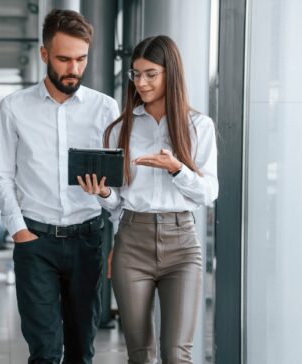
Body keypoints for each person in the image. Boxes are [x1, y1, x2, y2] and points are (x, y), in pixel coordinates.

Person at [77, 35, 219, 364]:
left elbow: (208, 193)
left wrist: (177, 169)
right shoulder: (119, 130)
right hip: (132, 242)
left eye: (150, 74)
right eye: (135, 74)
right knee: (140, 355)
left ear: (171, 73)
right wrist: (103, 193)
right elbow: (119, 202)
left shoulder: (198, 126)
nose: (141, 82)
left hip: (182, 243)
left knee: (176, 354)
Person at [0, 8, 120, 364]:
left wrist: (106, 195)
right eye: (64, 59)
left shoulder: (105, 108)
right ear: (44, 54)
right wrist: (19, 232)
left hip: (87, 240)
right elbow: (3, 176)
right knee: (45, 352)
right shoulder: (13, 108)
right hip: (36, 242)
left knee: (82, 350)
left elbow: (118, 188)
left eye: (81, 59)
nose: (74, 69)